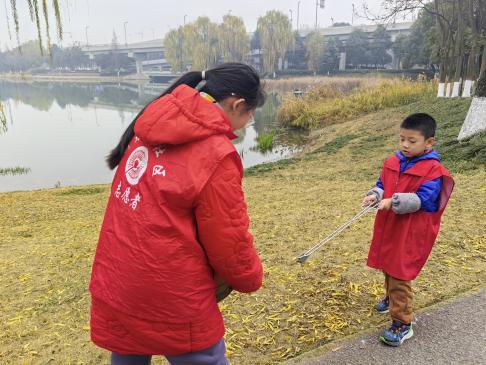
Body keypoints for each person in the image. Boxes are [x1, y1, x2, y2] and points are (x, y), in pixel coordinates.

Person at [89, 63, 266, 365]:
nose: (249, 121)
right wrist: (251, 277)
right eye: (251, 113)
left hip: (119, 282)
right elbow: (228, 240)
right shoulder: (215, 153)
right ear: (237, 105)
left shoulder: (145, 129)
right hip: (174, 296)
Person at [361, 113, 454, 347]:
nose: (404, 145)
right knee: (388, 265)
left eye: (412, 141)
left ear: (428, 143)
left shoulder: (433, 170)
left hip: (410, 232)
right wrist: (375, 195)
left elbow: (423, 200)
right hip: (390, 227)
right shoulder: (394, 161)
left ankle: (403, 323)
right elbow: (382, 184)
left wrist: (392, 202)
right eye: (402, 139)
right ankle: (391, 297)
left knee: (399, 274)